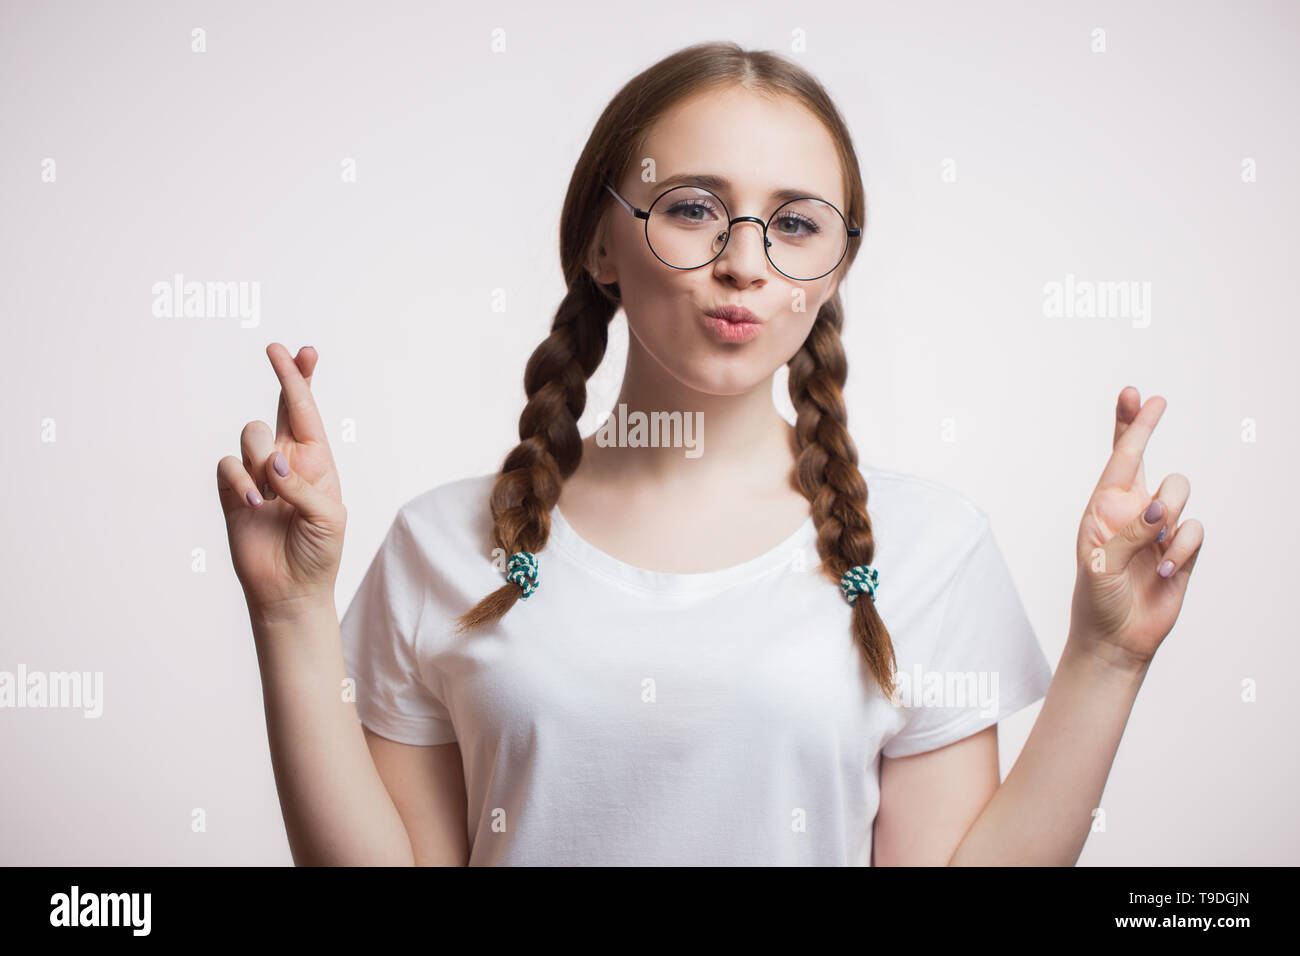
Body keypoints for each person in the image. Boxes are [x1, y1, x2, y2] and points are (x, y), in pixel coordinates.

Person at [216, 41, 1203, 866]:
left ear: (831, 267)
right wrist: (290, 608)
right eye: (691, 206)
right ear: (602, 246)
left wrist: (1107, 655)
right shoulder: (442, 543)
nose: (743, 261)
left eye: (793, 223)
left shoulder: (928, 548)